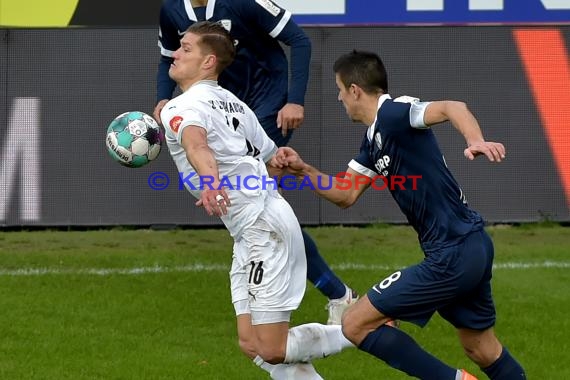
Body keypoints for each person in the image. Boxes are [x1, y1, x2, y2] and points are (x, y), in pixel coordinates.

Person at [274, 50, 526, 379]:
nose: (338, 98)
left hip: (452, 253)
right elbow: (346, 193)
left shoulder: (395, 112)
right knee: (480, 347)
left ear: (354, 90)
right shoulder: (374, 139)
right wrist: (303, 170)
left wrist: (475, 140)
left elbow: (453, 107)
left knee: (354, 323)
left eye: (339, 89)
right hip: (470, 246)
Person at [160, 21, 354, 379]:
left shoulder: (180, 107)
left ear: (208, 62)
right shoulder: (235, 105)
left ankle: (362, 326)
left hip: (261, 226)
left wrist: (210, 182)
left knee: (272, 347)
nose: (175, 53)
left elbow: (196, 143)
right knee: (252, 344)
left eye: (186, 48)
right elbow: (270, 159)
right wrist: (277, 161)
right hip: (252, 229)